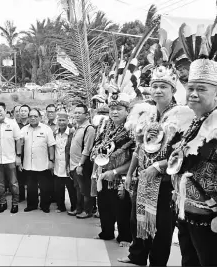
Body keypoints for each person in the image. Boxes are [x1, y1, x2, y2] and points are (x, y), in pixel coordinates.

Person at [119, 66, 195, 266]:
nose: (158, 90)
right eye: (155, 86)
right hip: (142, 179)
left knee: (161, 227)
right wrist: (129, 174)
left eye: (163, 86)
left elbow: (184, 151)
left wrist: (159, 167)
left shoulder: (183, 115)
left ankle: (157, 262)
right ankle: (137, 256)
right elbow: (138, 148)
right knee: (137, 220)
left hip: (166, 182)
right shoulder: (147, 115)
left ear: (172, 90)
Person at [168, 54, 217, 265]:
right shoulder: (193, 124)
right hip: (184, 210)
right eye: (191, 88)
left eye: (202, 89)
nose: (194, 94)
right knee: (189, 260)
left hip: (209, 215)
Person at [90, 93, 134, 247]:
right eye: (112, 109)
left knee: (122, 208)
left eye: (119, 109)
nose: (115, 112)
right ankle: (106, 233)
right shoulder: (104, 127)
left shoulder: (132, 130)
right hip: (102, 174)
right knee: (104, 206)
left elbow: (134, 159)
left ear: (127, 111)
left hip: (121, 177)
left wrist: (115, 172)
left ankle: (125, 237)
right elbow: (97, 147)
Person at [20, 108, 56, 213]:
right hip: (29, 163)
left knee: (45, 187)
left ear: (40, 117)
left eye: (35, 116)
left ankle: (45, 205)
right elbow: (20, 145)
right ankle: (32, 205)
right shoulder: (24, 130)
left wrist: (51, 160)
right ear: (28, 118)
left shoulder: (46, 129)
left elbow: (51, 146)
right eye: (30, 116)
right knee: (31, 187)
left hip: (43, 163)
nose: (33, 118)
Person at [68, 104, 96, 219]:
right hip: (74, 165)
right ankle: (79, 209)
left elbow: (87, 149)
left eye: (80, 113)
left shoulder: (89, 129)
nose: (77, 115)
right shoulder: (77, 128)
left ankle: (88, 210)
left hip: (82, 164)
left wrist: (81, 164)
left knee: (85, 189)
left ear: (86, 115)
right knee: (78, 189)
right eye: (76, 113)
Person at [53, 111, 77, 213]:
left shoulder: (72, 133)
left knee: (71, 188)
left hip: (68, 165)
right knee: (59, 188)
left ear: (68, 121)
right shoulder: (55, 133)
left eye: (63, 120)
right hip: (57, 164)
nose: (61, 122)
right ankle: (60, 206)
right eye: (59, 120)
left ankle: (74, 207)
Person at [17, 104, 31, 202]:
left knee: (30, 177)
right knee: (19, 177)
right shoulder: (15, 124)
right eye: (21, 111)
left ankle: (31, 197)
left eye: (25, 111)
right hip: (19, 153)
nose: (22, 112)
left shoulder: (32, 124)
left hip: (30, 153)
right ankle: (21, 196)